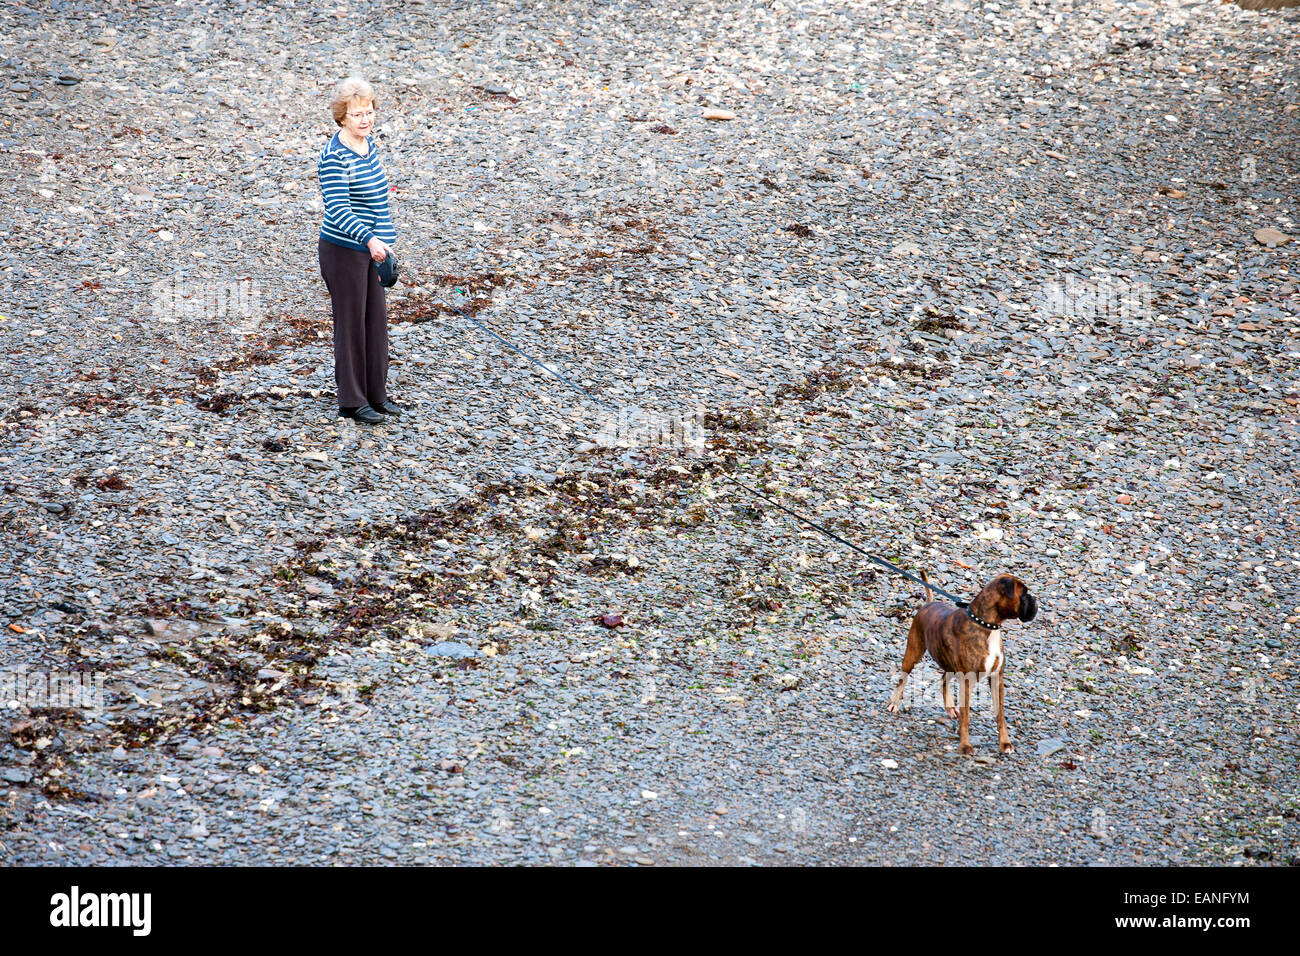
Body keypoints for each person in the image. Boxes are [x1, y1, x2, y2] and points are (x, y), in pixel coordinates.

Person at [317, 77, 402, 424]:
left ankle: (376, 396)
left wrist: (386, 243)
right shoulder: (334, 156)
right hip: (342, 250)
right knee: (351, 325)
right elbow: (337, 208)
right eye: (356, 115)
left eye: (368, 113)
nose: (364, 120)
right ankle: (351, 401)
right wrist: (368, 240)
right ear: (342, 118)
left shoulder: (370, 148)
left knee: (376, 323)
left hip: (372, 249)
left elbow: (379, 201)